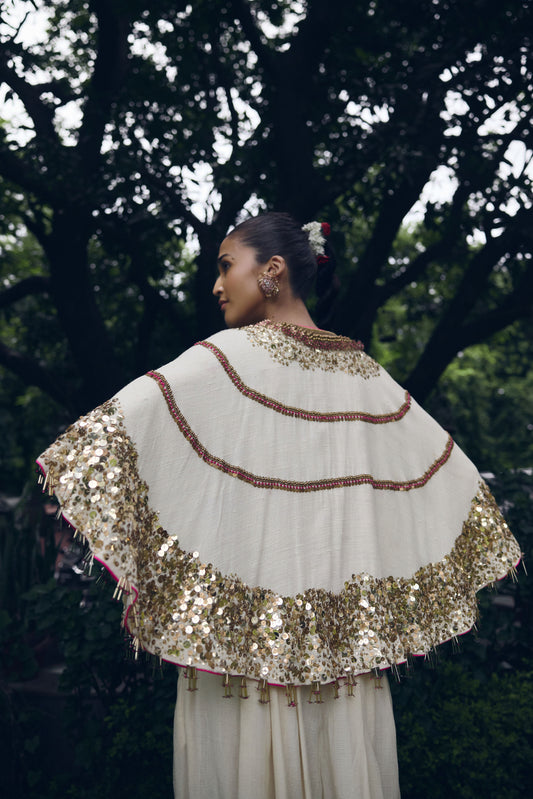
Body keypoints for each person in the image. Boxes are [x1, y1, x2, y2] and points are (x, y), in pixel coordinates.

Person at [37, 212, 521, 799]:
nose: (216, 286)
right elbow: (455, 481)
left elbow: (113, 437)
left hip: (238, 664)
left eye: (224, 266)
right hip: (343, 668)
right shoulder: (367, 378)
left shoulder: (221, 361)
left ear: (272, 271)